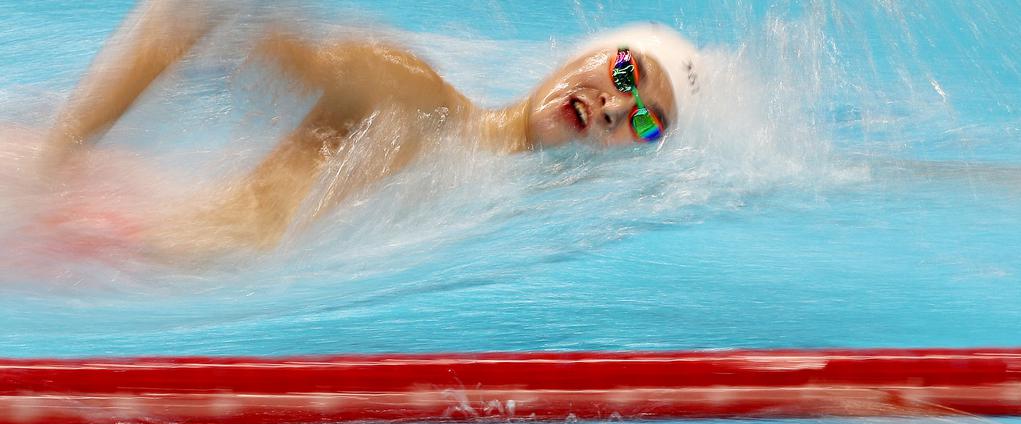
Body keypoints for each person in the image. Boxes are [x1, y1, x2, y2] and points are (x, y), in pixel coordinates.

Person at [38, 0, 702, 253]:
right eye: (624, 71)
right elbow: (194, 14)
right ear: (582, 51)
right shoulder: (412, 91)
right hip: (94, 244)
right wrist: (60, 159)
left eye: (645, 122)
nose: (616, 106)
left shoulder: (503, 194)